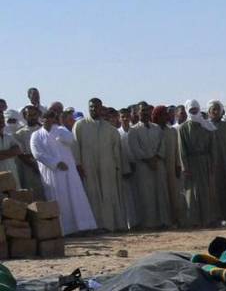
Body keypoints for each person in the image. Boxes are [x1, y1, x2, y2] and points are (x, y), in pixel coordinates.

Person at [30, 109, 96, 235]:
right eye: (46, 118)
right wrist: (55, 163)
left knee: (75, 198)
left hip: (68, 172)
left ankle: (83, 227)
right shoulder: (36, 135)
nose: (49, 120)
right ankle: (64, 230)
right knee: (59, 200)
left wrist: (60, 132)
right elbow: (37, 153)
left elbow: (70, 139)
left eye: (51, 118)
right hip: (52, 173)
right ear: (41, 120)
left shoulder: (61, 130)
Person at [73, 98, 128, 232]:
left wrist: (117, 167)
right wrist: (78, 165)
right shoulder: (80, 125)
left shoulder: (110, 129)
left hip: (107, 168)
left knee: (108, 195)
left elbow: (116, 152)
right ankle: (94, 226)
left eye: (96, 107)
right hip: (88, 167)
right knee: (92, 195)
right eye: (91, 107)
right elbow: (75, 147)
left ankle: (110, 225)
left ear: (101, 108)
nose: (93, 109)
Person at [128, 104, 171, 229]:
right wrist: (148, 159)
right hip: (143, 166)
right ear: (138, 113)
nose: (145, 113)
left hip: (158, 164)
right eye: (142, 111)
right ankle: (149, 223)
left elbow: (162, 145)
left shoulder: (157, 128)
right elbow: (135, 148)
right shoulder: (133, 130)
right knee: (146, 195)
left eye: (147, 111)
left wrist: (156, 158)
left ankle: (164, 222)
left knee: (161, 193)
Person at [178, 99, 219, 227]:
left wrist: (213, 163)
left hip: (205, 162)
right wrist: (185, 167)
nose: (194, 112)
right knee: (192, 192)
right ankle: (194, 221)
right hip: (191, 163)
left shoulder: (207, 126)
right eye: (191, 110)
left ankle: (208, 219)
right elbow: (182, 149)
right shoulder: (183, 128)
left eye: (195, 109)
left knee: (207, 191)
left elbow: (213, 147)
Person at [151, 105, 185, 228]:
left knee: (174, 194)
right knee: (161, 195)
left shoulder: (172, 131)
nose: (166, 116)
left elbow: (177, 150)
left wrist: (178, 165)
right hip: (157, 167)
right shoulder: (152, 131)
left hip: (171, 167)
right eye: (163, 114)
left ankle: (176, 219)